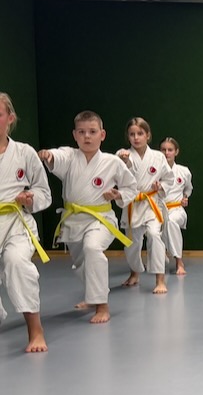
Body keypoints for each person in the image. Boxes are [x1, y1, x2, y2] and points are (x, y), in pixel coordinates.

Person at [38, 111, 137, 324]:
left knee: (92, 248)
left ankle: (102, 305)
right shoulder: (69, 156)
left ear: (102, 134)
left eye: (92, 132)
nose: (87, 137)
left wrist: (118, 194)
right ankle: (93, 297)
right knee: (81, 262)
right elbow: (57, 156)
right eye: (81, 132)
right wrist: (49, 155)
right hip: (73, 220)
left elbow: (131, 187)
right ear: (75, 135)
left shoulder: (112, 162)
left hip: (101, 218)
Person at [0, 92, 52, 353]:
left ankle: (35, 330)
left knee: (17, 262)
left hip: (16, 223)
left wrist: (29, 199)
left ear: (10, 118)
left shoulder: (24, 153)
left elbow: (44, 192)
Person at [117, 118, 174, 293]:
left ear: (147, 135)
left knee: (154, 235)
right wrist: (124, 161)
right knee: (132, 243)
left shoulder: (158, 156)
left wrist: (160, 186)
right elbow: (118, 177)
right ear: (128, 136)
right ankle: (135, 273)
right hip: (133, 204)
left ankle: (160, 280)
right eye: (132, 134)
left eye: (140, 133)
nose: (136, 138)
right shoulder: (122, 155)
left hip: (151, 204)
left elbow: (169, 179)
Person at [160, 137, 193, 275]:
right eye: (163, 150)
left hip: (177, 209)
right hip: (159, 210)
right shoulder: (155, 171)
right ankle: (159, 258)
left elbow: (188, 188)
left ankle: (179, 261)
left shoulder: (184, 171)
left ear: (176, 152)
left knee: (171, 222)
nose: (166, 153)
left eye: (170, 150)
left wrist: (185, 197)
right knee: (154, 230)